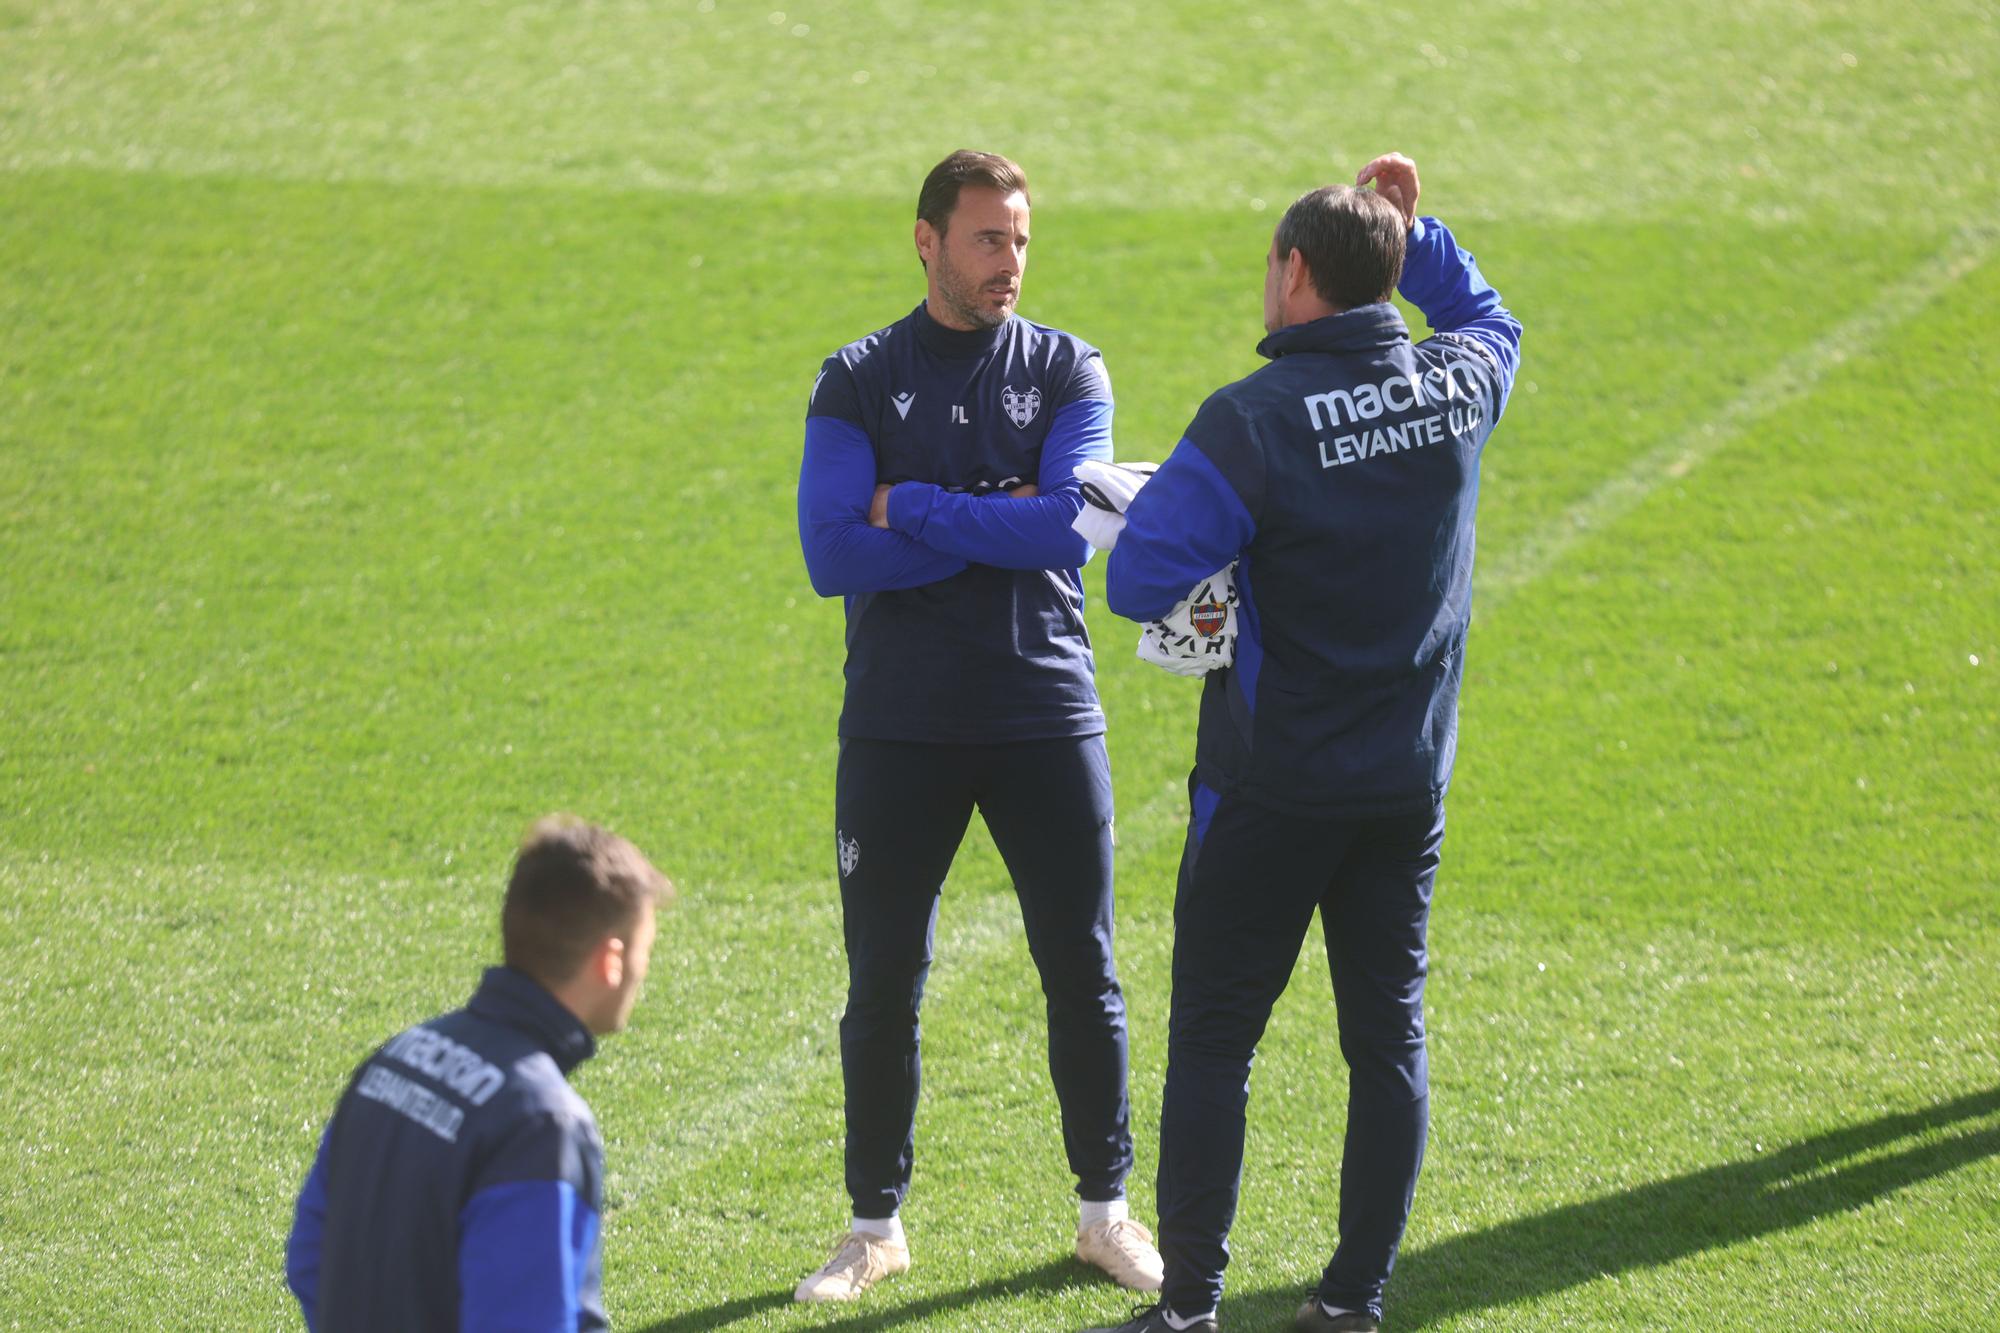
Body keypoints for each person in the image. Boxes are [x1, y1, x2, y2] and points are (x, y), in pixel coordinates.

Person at [1083, 155, 1522, 1333]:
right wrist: (1413, 235)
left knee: (1215, 1044)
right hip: (1403, 784)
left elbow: (1135, 580)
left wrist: (1189, 516)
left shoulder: (1250, 421)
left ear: (1290, 273)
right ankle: (1350, 1303)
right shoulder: (1455, 386)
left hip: (1269, 790)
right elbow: (1488, 316)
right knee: (1386, 1040)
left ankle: (1187, 1311)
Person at [794, 149, 1163, 1302]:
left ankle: (1104, 1213)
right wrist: (991, 514)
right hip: (899, 721)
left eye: (1020, 240)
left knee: (1081, 967)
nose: (1009, 263)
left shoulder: (1065, 368)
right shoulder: (855, 377)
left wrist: (913, 506)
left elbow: (1064, 530)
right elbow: (827, 552)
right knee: (881, 981)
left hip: (1040, 706)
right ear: (925, 242)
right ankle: (872, 1227)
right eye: (986, 239)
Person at [285, 817, 672, 1331]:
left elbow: (311, 1256)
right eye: (647, 949)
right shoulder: (540, 1124)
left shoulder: (397, 1057)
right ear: (612, 961)